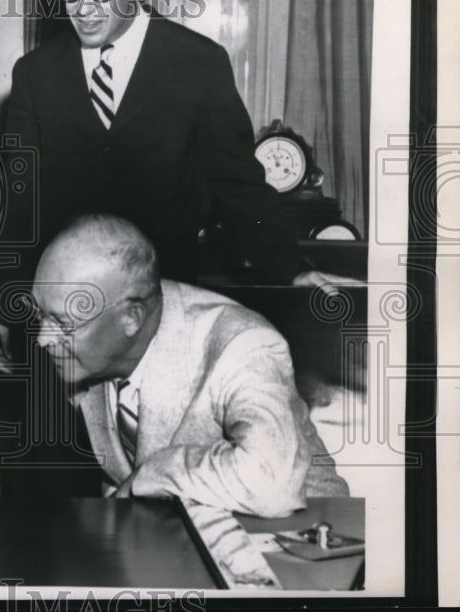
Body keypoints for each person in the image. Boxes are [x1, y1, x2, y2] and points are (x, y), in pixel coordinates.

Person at [0, 0, 358, 494]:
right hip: (62, 327)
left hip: (157, 327)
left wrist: (292, 268)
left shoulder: (197, 64)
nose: (83, 7)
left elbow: (238, 186)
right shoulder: (36, 74)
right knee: (54, 492)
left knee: (162, 488)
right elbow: (17, 204)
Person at [31, 214, 349, 514]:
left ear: (131, 318)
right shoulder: (85, 350)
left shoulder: (241, 343)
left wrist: (154, 473)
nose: (43, 339)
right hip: (177, 535)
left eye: (62, 323)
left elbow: (271, 486)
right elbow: (117, 482)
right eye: (39, 314)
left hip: (304, 536)